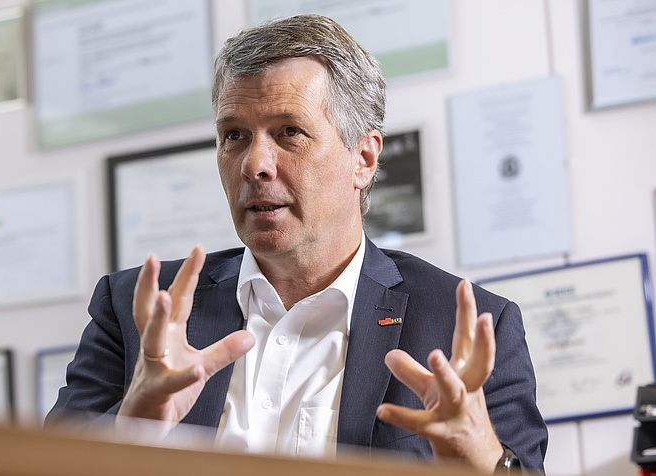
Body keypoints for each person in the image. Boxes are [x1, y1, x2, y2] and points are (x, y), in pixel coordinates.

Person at [46, 14, 547, 472]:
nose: (254, 164)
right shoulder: (137, 311)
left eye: (289, 132)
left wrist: (482, 458)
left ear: (364, 159)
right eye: (234, 135)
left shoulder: (470, 326)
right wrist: (136, 423)